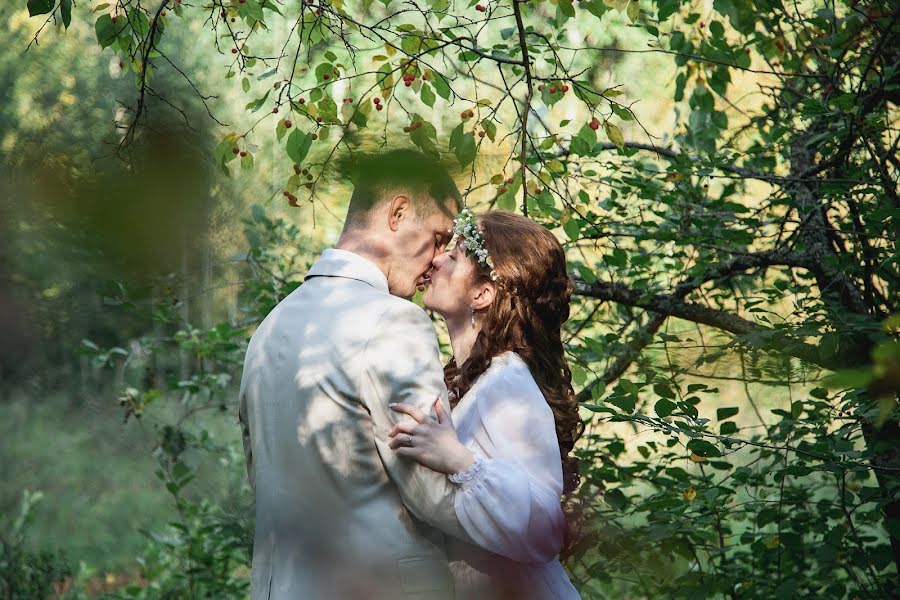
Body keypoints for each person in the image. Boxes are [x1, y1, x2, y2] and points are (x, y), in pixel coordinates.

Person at [238, 149, 473, 600]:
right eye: (439, 237)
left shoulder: (267, 332)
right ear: (398, 211)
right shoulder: (393, 322)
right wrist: (518, 507)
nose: (439, 258)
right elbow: (433, 494)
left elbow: (261, 480)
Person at [386, 209, 583, 599]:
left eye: (454, 256)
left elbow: (543, 529)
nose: (437, 258)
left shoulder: (506, 382)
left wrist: (460, 462)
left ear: (482, 294)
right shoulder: (471, 382)